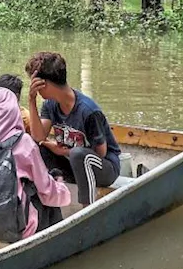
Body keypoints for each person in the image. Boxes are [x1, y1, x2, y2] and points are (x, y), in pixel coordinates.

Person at [0, 87, 72, 238]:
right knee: (49, 198)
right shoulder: (24, 143)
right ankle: (55, 243)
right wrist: (62, 188)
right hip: (18, 227)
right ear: (14, 111)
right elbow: (46, 190)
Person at [24, 52, 122, 205]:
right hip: (75, 164)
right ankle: (47, 203)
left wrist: (64, 152)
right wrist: (31, 100)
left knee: (77, 154)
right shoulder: (50, 105)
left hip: (104, 169)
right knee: (34, 147)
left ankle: (87, 210)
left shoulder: (88, 111)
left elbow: (100, 153)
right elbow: (38, 137)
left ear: (44, 83)